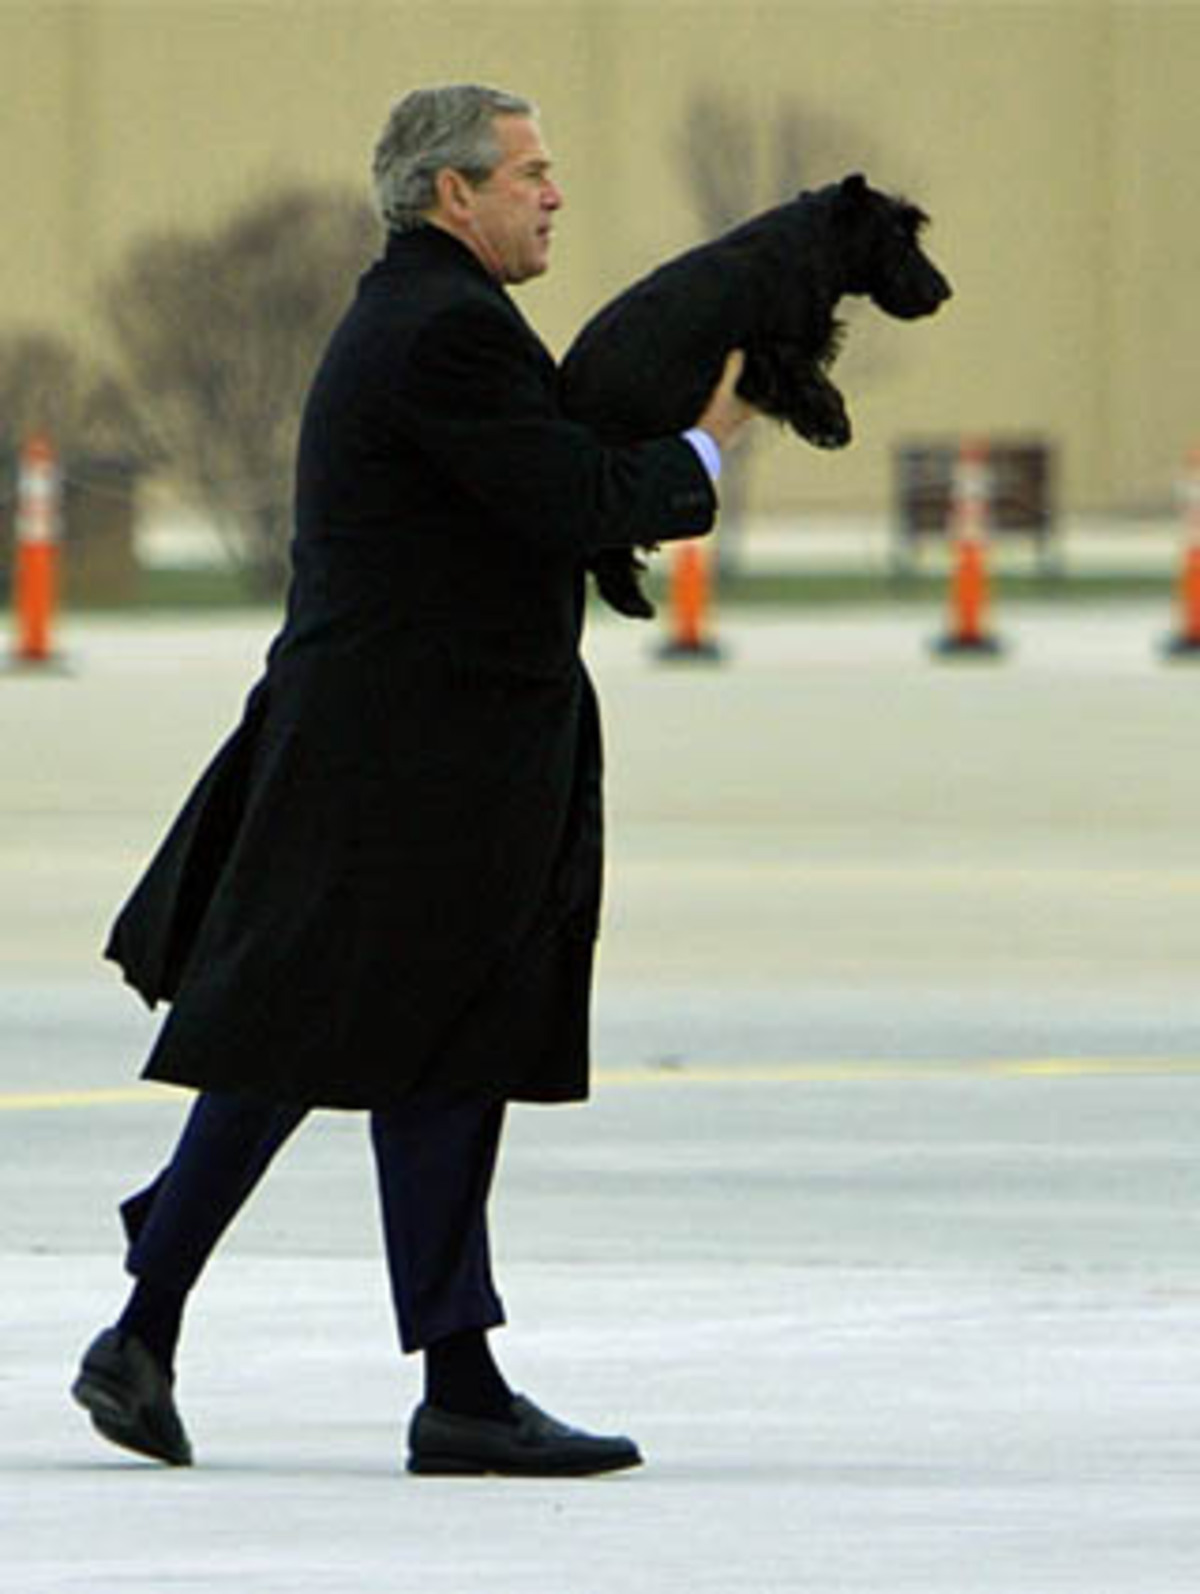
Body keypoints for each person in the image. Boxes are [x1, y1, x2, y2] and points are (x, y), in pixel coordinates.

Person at [71, 83, 757, 1478]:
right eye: (532, 173)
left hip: (405, 749)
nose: (554, 194)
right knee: (365, 1037)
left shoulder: (432, 317)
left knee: (397, 1040)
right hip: (406, 762)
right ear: (456, 194)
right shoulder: (444, 333)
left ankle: (389, 1367)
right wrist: (706, 447)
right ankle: (223, 1334)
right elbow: (571, 499)